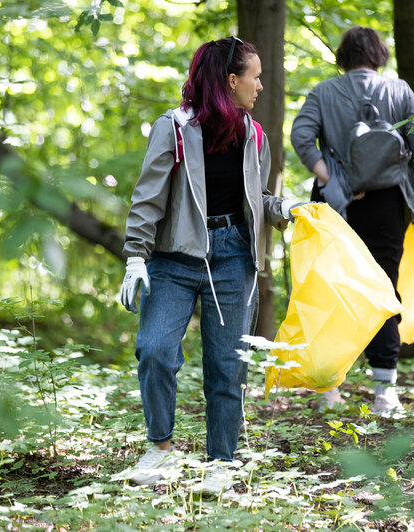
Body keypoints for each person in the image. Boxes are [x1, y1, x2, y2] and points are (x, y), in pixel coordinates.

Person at [119, 37, 300, 493]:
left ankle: (222, 461)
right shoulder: (174, 127)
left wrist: (284, 210)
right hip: (174, 259)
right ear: (230, 80)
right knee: (155, 350)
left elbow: (255, 200)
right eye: (254, 77)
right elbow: (148, 195)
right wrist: (136, 256)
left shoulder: (254, 134)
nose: (260, 86)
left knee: (226, 364)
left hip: (233, 255)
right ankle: (160, 451)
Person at [290, 26, 414, 416]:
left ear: (343, 57)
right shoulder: (399, 91)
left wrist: (332, 179)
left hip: (336, 205)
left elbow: (301, 136)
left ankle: (329, 388)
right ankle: (384, 392)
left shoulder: (324, 93)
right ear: (379, 54)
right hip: (387, 203)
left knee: (332, 289)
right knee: (385, 289)